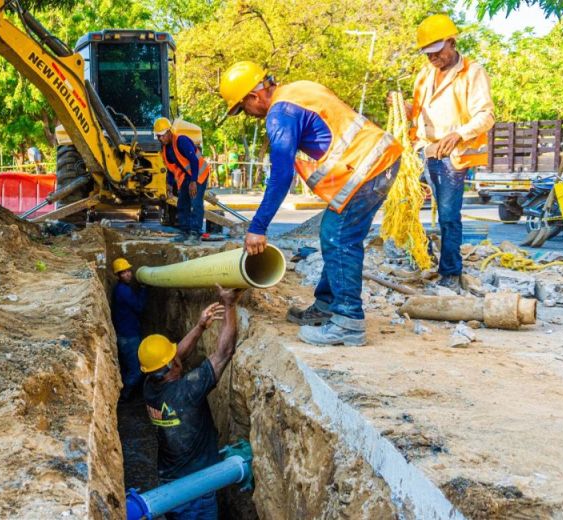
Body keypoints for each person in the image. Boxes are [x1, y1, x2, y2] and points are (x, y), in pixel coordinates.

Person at [218, 61, 402, 346]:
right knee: (334, 233)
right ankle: (328, 305)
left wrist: (258, 227)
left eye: (243, 108)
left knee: (338, 237)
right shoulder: (297, 91)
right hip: (376, 160)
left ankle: (349, 321)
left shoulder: (280, 114)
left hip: (368, 166)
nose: (248, 115)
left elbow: (281, 176)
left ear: (253, 97)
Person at [400, 14, 495, 290]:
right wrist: (405, 111)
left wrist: (458, 135)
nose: (432, 58)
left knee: (449, 216)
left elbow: (486, 116)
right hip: (423, 150)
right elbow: (418, 113)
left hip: (452, 156)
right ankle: (419, 256)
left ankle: (451, 272)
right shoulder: (424, 75)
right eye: (427, 53)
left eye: (437, 51)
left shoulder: (472, 72)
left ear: (451, 43)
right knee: (404, 205)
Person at [139, 285, 245, 519]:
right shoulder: (188, 390)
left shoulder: (149, 385)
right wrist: (229, 304)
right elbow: (225, 352)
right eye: (173, 356)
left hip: (167, 485)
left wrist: (199, 327)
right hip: (196, 488)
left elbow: (176, 355)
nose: (178, 355)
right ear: (170, 366)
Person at [155, 117, 211, 245]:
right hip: (186, 177)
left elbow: (194, 161)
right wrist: (169, 185)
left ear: (169, 132)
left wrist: (193, 182)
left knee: (195, 203)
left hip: (199, 174)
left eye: (162, 135)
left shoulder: (181, 140)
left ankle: (195, 234)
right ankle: (185, 232)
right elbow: (170, 168)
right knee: (182, 204)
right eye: (158, 136)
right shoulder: (165, 150)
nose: (160, 139)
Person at [112, 257, 147, 400]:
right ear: (118, 275)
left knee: (130, 367)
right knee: (136, 371)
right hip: (128, 336)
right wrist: (144, 290)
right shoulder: (123, 291)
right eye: (123, 272)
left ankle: (128, 393)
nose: (127, 274)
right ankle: (124, 397)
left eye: (128, 271)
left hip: (126, 333)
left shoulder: (122, 289)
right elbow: (139, 307)